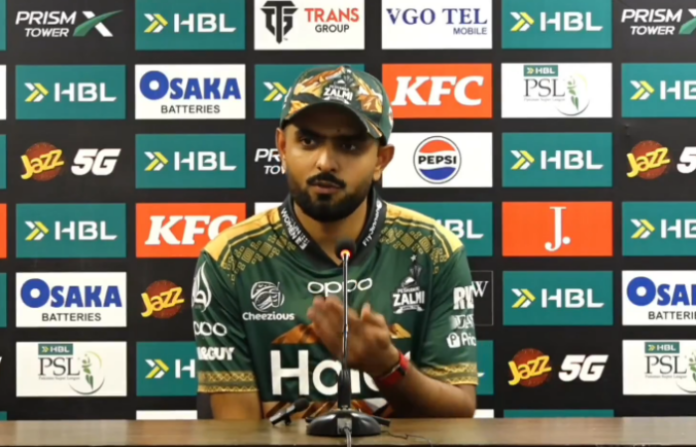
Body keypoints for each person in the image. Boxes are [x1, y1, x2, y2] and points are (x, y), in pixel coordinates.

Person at [191, 65, 478, 420]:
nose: (325, 162)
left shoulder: (433, 250)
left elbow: (458, 413)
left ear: (381, 160)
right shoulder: (230, 260)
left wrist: (388, 367)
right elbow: (236, 432)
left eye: (349, 145)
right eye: (308, 141)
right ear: (282, 146)